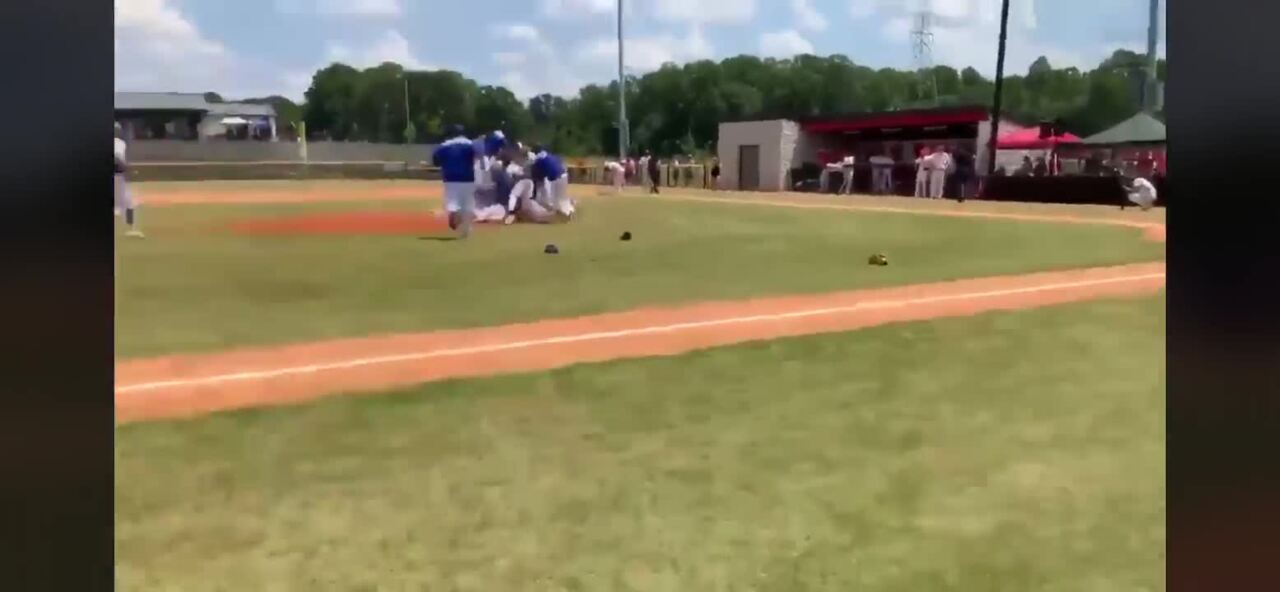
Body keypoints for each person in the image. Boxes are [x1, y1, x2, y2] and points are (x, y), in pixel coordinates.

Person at [431, 124, 478, 238]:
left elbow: (435, 160)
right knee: (467, 204)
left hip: (450, 178)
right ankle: (466, 231)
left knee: (452, 200)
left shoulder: (444, 145)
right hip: (468, 177)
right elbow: (477, 158)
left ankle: (454, 213)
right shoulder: (471, 144)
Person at [114, 123, 144, 238]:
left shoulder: (120, 143)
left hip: (119, 175)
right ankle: (131, 229)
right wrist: (127, 169)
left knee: (126, 203)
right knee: (128, 203)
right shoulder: (119, 143)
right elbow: (117, 159)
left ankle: (131, 229)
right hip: (118, 176)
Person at [530, 145, 575, 219]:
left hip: (557, 179)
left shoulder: (538, 161)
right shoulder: (549, 155)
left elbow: (537, 176)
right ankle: (570, 209)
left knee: (557, 200)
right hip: (564, 175)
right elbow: (560, 162)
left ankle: (567, 213)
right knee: (561, 197)